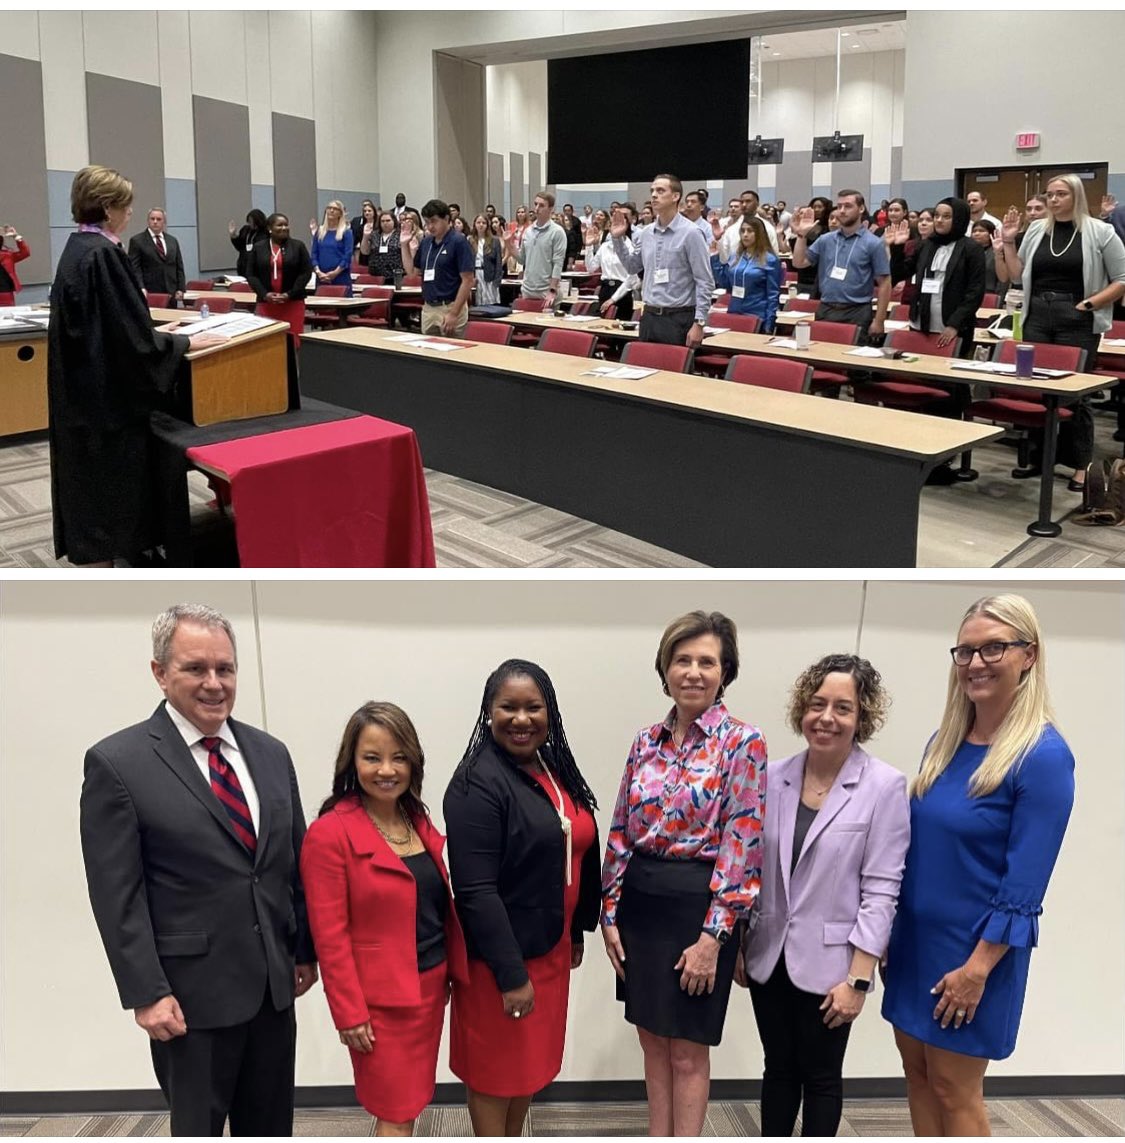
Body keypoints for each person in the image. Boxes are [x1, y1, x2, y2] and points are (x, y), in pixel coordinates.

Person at [79, 603, 318, 1135]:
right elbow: (117, 895)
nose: (214, 683)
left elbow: (290, 861)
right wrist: (145, 992)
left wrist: (303, 949)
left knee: (271, 1127)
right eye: (195, 669)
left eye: (225, 669)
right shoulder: (118, 763)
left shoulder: (270, 753)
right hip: (188, 999)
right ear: (160, 673)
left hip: (272, 992)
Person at [882, 594, 1075, 1137]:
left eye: (995, 648)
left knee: (954, 1088)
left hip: (972, 954)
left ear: (1029, 655)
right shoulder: (942, 745)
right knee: (917, 1076)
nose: (976, 663)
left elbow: (1025, 884)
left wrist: (978, 969)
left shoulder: (1043, 756)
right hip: (916, 944)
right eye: (965, 651)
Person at [601, 611, 766, 1137]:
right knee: (651, 1037)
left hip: (699, 908)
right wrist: (608, 912)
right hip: (640, 906)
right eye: (683, 659)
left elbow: (743, 843)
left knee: (688, 1050)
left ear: (725, 672)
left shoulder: (743, 742)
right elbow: (622, 827)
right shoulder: (645, 741)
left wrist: (714, 938)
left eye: (707, 662)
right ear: (665, 668)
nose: (693, 672)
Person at [740, 654, 910, 1138]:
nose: (827, 718)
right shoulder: (771, 776)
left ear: (862, 717)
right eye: (817, 704)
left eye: (843, 708)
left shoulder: (884, 786)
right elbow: (750, 865)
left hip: (834, 967)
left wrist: (858, 979)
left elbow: (882, 890)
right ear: (802, 710)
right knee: (777, 1071)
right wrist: (739, 939)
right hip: (768, 955)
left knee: (819, 1078)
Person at [444, 660, 600, 1137]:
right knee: (496, 1074)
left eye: (533, 707)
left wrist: (576, 931)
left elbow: (577, 847)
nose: (521, 718)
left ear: (549, 713)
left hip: (549, 950)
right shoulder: (476, 783)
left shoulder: (553, 769)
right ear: (488, 713)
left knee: (528, 1069)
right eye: (507, 707)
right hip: (502, 962)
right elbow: (475, 891)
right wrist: (511, 975)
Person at [300, 702, 469, 1136]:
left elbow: (433, 903)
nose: (386, 769)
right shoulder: (329, 834)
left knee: (411, 1103)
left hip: (429, 988)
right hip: (378, 1005)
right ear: (351, 762)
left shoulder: (416, 818)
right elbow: (329, 935)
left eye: (399, 757)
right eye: (372, 757)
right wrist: (349, 1012)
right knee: (395, 1109)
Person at [47, 166, 223, 567]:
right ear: (109, 209)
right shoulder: (105, 256)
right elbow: (130, 345)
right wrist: (183, 342)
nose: (130, 215)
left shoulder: (78, 248)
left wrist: (157, 330)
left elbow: (113, 326)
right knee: (115, 488)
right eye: (126, 207)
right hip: (107, 406)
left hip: (81, 395)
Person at [996, 173, 1125, 489]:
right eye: (1050, 194)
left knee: (1074, 394)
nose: (1053, 200)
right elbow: (1017, 275)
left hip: (1077, 316)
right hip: (1036, 314)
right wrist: (1009, 242)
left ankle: (1082, 464)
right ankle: (1042, 458)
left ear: (1076, 196)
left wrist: (1091, 305)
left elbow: (1122, 278)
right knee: (1039, 388)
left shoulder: (1100, 231)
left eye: (1060, 194)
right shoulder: (1038, 230)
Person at [611, 173, 713, 348]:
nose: (653, 195)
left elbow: (704, 281)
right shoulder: (646, 233)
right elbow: (632, 267)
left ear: (675, 196)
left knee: (673, 373)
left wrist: (700, 323)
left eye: (660, 190)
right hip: (649, 315)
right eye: (652, 191)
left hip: (678, 317)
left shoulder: (691, 233)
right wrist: (617, 239)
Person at [791, 189, 891, 344]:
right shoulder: (826, 239)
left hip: (857, 311)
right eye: (839, 206)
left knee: (851, 363)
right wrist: (801, 235)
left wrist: (879, 320)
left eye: (848, 206)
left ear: (861, 209)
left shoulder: (873, 243)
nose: (842, 211)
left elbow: (885, 283)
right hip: (826, 308)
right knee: (821, 358)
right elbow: (799, 263)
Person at [908, 197, 986, 353]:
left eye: (946, 216)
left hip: (951, 326)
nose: (939, 220)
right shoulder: (926, 244)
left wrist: (955, 324)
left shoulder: (971, 248)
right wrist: (896, 249)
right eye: (936, 216)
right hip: (920, 323)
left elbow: (975, 291)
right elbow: (903, 272)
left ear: (958, 218)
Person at [400, 198, 475, 336]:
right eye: (427, 222)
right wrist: (404, 246)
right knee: (428, 354)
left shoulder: (458, 241)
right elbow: (411, 273)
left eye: (434, 221)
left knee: (451, 353)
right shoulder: (426, 242)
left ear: (446, 219)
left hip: (451, 306)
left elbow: (468, 280)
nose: (430, 227)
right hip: (429, 308)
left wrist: (454, 313)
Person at [244, 212, 313, 340]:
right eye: (279, 225)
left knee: (292, 342)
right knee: (267, 342)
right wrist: (265, 294)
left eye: (286, 225)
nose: (284, 228)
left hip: (292, 303)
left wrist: (289, 294)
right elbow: (251, 274)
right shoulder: (259, 247)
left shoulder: (298, 246)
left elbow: (305, 272)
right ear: (269, 228)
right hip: (266, 303)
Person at [709, 215, 782, 332]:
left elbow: (773, 295)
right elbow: (726, 284)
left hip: (757, 314)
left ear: (759, 234)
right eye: (742, 231)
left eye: (750, 231)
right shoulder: (735, 257)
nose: (745, 234)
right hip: (734, 311)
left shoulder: (770, 260)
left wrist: (770, 323)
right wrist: (714, 258)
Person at [587, 208, 639, 320]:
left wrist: (613, 299)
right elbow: (590, 268)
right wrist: (589, 246)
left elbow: (632, 279)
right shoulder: (605, 246)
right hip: (605, 289)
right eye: (612, 224)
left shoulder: (631, 247)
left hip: (622, 292)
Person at [516, 191, 567, 305]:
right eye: (535, 204)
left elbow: (558, 263)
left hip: (546, 290)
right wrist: (509, 245)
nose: (537, 208)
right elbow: (522, 259)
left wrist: (552, 289)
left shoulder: (557, 232)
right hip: (528, 290)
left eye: (542, 205)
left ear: (551, 209)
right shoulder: (528, 231)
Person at [128, 208, 186, 306]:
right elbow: (134, 268)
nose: (155, 222)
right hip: (150, 292)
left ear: (164, 222)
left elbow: (179, 266)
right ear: (148, 221)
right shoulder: (137, 241)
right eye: (152, 219)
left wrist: (181, 288)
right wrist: (140, 287)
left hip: (171, 292)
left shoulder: (172, 241)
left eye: (159, 219)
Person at [716, 189, 781, 262]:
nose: (744, 204)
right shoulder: (732, 229)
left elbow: (774, 255)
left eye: (748, 201)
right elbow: (724, 256)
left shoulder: (767, 227)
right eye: (742, 202)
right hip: (734, 270)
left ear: (757, 204)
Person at [309, 200, 354, 295]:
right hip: (321, 277)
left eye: (335, 209)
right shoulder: (319, 232)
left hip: (340, 276)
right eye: (329, 208)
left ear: (340, 213)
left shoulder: (346, 232)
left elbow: (347, 255)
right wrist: (318, 272)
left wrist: (335, 272)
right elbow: (314, 254)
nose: (331, 210)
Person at [795, 197, 833, 298]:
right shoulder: (805, 225)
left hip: (819, 267)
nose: (816, 209)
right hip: (805, 267)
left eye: (819, 207)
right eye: (814, 207)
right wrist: (798, 232)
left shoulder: (829, 228)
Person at [469, 212, 507, 305]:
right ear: (474, 224)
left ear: (487, 225)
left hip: (490, 275)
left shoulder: (494, 240)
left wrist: (497, 280)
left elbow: (498, 262)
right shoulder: (470, 240)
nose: (481, 225)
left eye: (483, 223)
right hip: (476, 274)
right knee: (477, 301)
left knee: (490, 302)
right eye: (478, 222)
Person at [360, 209, 404, 281]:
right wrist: (365, 236)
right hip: (375, 275)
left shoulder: (400, 235)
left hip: (394, 275)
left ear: (394, 221)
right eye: (382, 221)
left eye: (388, 220)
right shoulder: (375, 234)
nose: (385, 223)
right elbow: (365, 252)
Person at [226, 209, 268, 279]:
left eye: (252, 221)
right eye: (249, 221)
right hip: (243, 264)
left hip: (258, 266)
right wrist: (233, 235)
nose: (250, 223)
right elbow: (239, 247)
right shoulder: (245, 230)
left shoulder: (265, 233)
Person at [970, 220, 1005, 298]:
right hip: (969, 293)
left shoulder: (997, 251)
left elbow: (1002, 281)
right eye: (974, 231)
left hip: (990, 294)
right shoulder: (967, 251)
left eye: (981, 231)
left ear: (991, 233)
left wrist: (999, 297)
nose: (977, 233)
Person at [0, 224, 30, 305]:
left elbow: (25, 253)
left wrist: (16, 237)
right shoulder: (8, 255)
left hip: (6, 292)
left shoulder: (7, 255)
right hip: (6, 293)